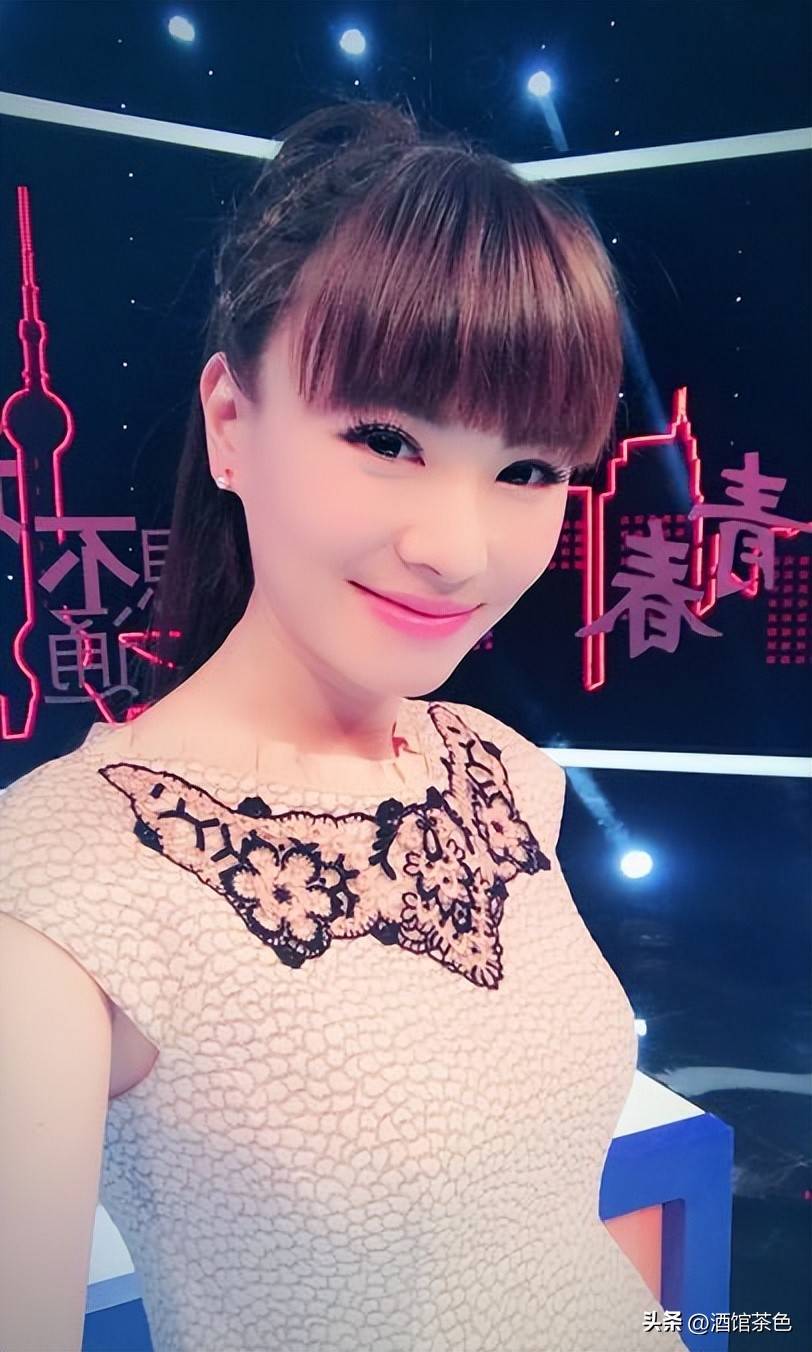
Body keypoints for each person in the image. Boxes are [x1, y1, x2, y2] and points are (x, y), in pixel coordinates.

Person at [0, 99, 687, 1351]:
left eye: (527, 469)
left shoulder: (502, 772)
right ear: (230, 423)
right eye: (384, 438)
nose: (456, 548)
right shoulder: (56, 901)